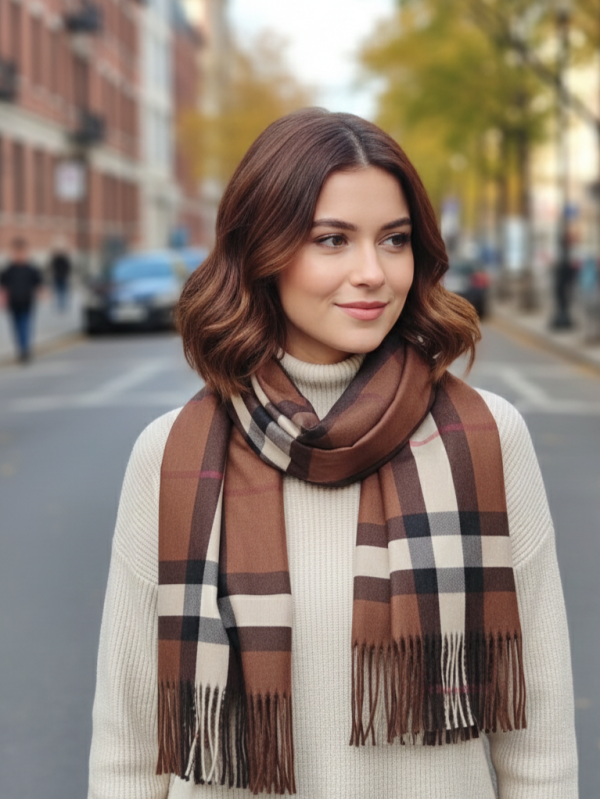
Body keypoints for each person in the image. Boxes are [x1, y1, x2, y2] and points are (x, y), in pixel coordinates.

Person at [88, 109, 578, 798]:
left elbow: (540, 740)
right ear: (263, 251)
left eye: (395, 239)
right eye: (332, 239)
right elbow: (130, 745)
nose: (373, 272)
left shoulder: (488, 437)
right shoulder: (172, 455)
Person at [0, 237, 43, 363]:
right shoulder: (8, 270)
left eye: (22, 252)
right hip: (13, 303)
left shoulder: (31, 269)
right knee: (16, 327)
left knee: (25, 326)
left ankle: (25, 350)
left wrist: (42, 293)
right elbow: (3, 287)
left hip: (27, 302)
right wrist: (2, 299)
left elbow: (38, 284)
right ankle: (21, 348)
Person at [48, 240, 72, 312]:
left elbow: (67, 268)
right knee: (60, 292)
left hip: (61, 277)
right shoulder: (58, 260)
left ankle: (62, 304)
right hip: (59, 277)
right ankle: (61, 304)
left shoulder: (62, 260)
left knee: (62, 292)